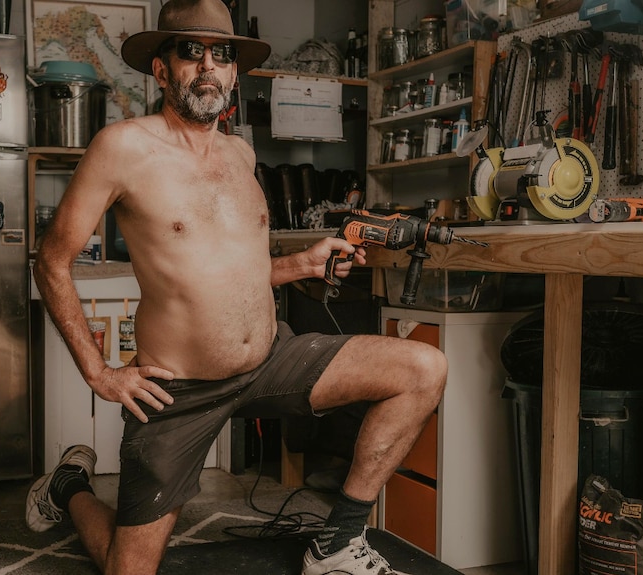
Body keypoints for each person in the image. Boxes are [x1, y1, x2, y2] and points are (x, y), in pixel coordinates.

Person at [25, 0, 447, 574]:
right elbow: (51, 260)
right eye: (190, 51)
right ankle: (70, 485)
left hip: (270, 360)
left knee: (423, 368)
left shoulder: (240, 153)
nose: (208, 67)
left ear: (233, 71)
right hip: (178, 390)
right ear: (161, 68)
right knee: (130, 571)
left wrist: (302, 264)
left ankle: (338, 543)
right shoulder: (123, 147)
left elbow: (233, 272)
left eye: (221, 55)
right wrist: (99, 371)